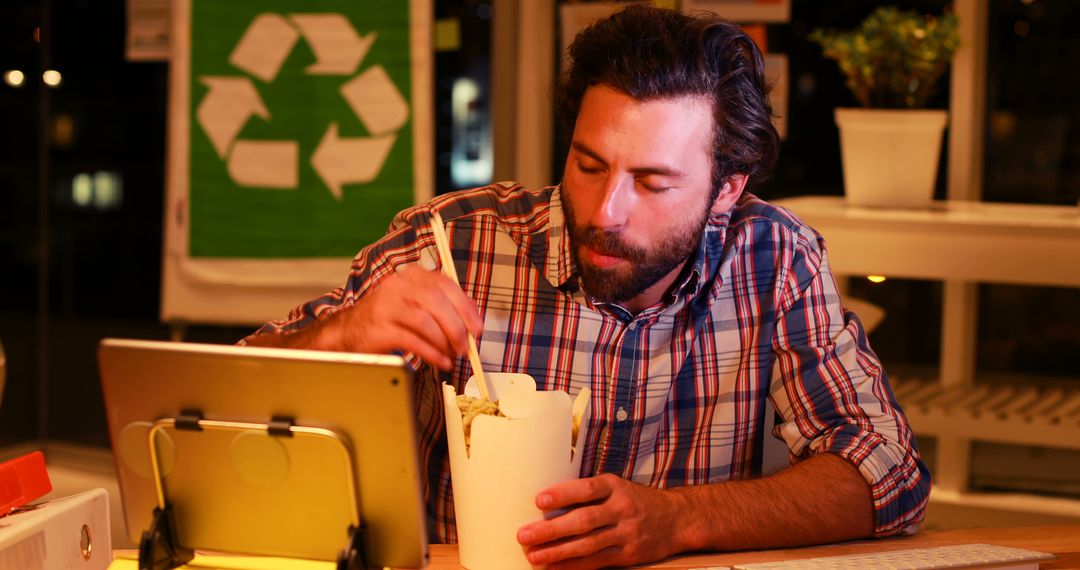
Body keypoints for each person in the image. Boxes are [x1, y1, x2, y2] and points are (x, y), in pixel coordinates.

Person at [243, 5, 930, 569]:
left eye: (653, 182)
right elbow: (224, 417)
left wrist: (681, 520)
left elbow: (888, 473)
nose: (605, 213)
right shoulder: (450, 243)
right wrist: (340, 335)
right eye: (589, 164)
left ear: (727, 190)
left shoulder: (772, 259)